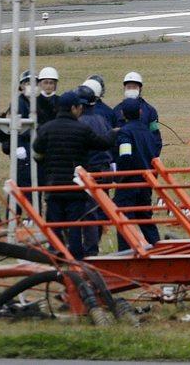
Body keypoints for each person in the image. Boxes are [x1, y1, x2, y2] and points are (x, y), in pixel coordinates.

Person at [32, 90, 116, 259]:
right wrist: (114, 132)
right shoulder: (81, 129)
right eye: (78, 107)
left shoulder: (46, 129)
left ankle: (56, 255)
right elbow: (102, 144)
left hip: (53, 186)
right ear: (73, 108)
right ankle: (76, 258)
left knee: (55, 224)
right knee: (75, 226)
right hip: (75, 188)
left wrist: (46, 164)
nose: (80, 110)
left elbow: (37, 151)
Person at [112, 98, 161, 250]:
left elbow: (125, 156)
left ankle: (125, 252)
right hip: (146, 181)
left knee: (124, 220)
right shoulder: (148, 132)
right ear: (140, 112)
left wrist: (119, 177)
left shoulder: (125, 132)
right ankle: (159, 248)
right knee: (145, 219)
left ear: (122, 114)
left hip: (129, 182)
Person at [78, 80, 114, 256]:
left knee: (89, 212)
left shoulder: (81, 122)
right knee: (100, 210)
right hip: (106, 169)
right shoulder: (102, 118)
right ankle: (95, 243)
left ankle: (90, 250)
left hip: (91, 171)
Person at [0, 70, 35, 190]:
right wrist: (17, 147)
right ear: (21, 86)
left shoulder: (36, 103)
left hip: (33, 146)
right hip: (22, 148)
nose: (30, 86)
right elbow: (13, 129)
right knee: (21, 183)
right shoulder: (18, 103)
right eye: (27, 83)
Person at [113, 71, 162, 158]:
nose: (131, 90)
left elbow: (155, 135)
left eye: (134, 87)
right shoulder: (116, 110)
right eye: (129, 87)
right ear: (124, 88)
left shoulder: (150, 110)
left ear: (140, 88)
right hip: (122, 155)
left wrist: (154, 155)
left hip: (144, 155)